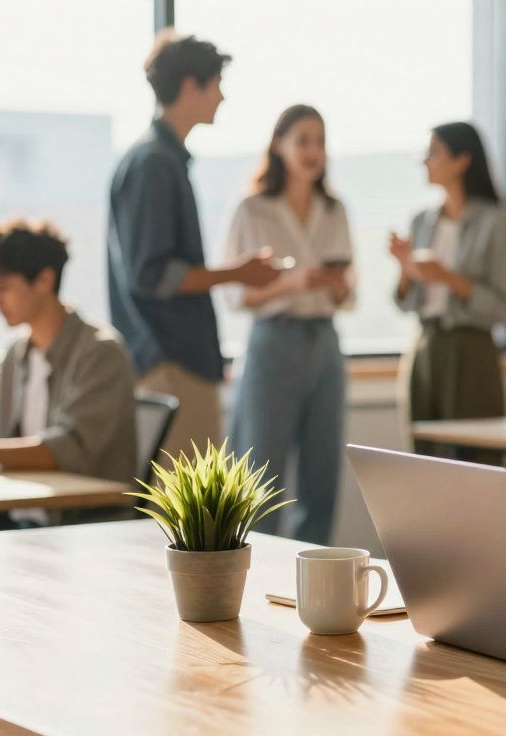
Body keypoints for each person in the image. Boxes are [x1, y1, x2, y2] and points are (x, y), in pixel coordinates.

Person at [107, 31, 278, 462]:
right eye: (216, 84)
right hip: (171, 363)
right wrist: (238, 273)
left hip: (174, 361)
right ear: (190, 85)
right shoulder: (154, 164)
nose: (222, 97)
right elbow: (154, 275)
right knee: (187, 518)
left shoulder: (160, 161)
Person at [223, 105, 353, 544]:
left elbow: (348, 294)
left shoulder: (334, 210)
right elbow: (235, 295)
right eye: (303, 140)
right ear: (279, 145)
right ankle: (252, 576)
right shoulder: (252, 209)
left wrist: (332, 284)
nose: (313, 151)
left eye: (320, 140)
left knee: (323, 471)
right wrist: (291, 284)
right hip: (273, 342)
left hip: (325, 342)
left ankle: (316, 582)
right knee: (260, 473)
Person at [0, 219, 136, 484]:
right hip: (16, 512)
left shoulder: (101, 352)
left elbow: (65, 450)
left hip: (80, 518)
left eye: (3, 287)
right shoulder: (18, 352)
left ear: (44, 280)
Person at [388, 122, 506, 436]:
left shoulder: (496, 224)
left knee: (474, 457)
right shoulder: (422, 221)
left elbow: (503, 308)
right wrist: (406, 267)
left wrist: (447, 278)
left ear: (462, 160)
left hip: (471, 351)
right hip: (424, 346)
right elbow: (405, 301)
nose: (425, 160)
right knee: (424, 455)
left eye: (433, 152)